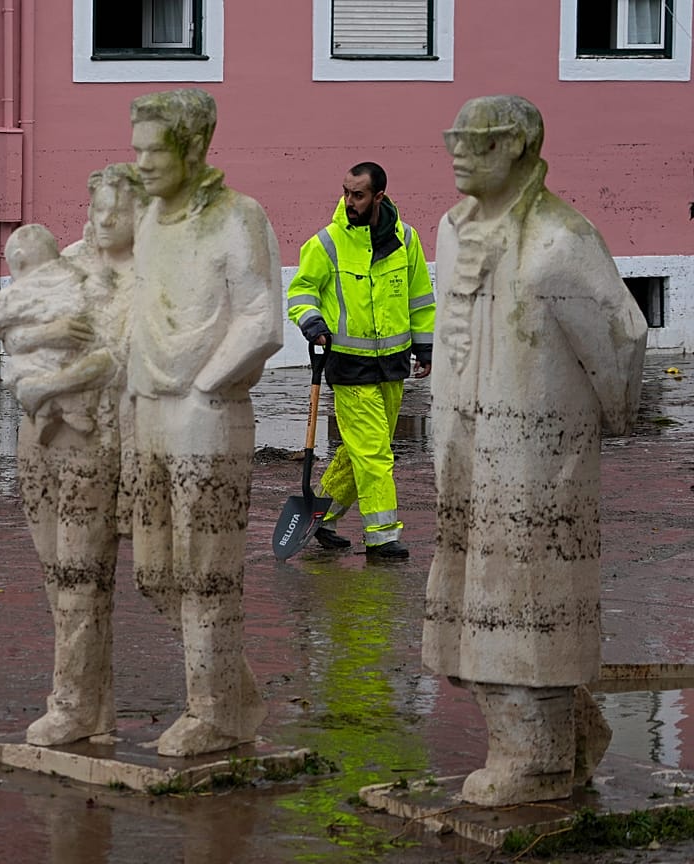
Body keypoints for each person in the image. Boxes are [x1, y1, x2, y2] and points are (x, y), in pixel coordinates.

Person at [424, 95, 646, 806]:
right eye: (453, 137)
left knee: (524, 599)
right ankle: (567, 734)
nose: (457, 150)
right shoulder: (453, 231)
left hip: (535, 448)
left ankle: (538, 760)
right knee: (469, 601)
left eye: (476, 140)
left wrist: (602, 419)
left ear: (516, 145)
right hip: (465, 438)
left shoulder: (559, 239)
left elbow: (623, 336)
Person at [127, 88, 282, 756]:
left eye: (152, 149)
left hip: (206, 413)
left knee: (206, 569)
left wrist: (208, 383)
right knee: (153, 568)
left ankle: (213, 711)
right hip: (150, 407)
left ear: (191, 148)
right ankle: (233, 693)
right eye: (135, 149)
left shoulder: (238, 218)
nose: (140, 162)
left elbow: (261, 318)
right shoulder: (149, 219)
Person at [0, 163, 145, 746]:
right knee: (57, 577)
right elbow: (11, 326)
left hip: (94, 440)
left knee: (81, 575)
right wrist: (39, 343)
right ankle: (92, 707)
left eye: (118, 209)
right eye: (97, 205)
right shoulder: (68, 263)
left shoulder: (143, 281)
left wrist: (47, 383)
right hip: (40, 436)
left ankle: (73, 704)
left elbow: (121, 358)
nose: (104, 219)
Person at [286, 161, 434, 559]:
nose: (349, 201)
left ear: (379, 197)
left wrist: (425, 346)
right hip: (348, 366)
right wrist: (312, 321)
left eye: (359, 195)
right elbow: (300, 291)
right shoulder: (328, 242)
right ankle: (382, 534)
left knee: (362, 450)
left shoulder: (406, 239)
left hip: (392, 365)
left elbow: (419, 297)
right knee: (374, 453)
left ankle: (321, 516)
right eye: (346, 192)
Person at [0, 223, 115, 443]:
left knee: (20, 369)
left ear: (19, 260)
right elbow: (12, 340)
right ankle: (61, 408)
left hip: (71, 359)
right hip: (66, 355)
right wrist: (48, 333)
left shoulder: (15, 296)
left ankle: (53, 406)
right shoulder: (73, 274)